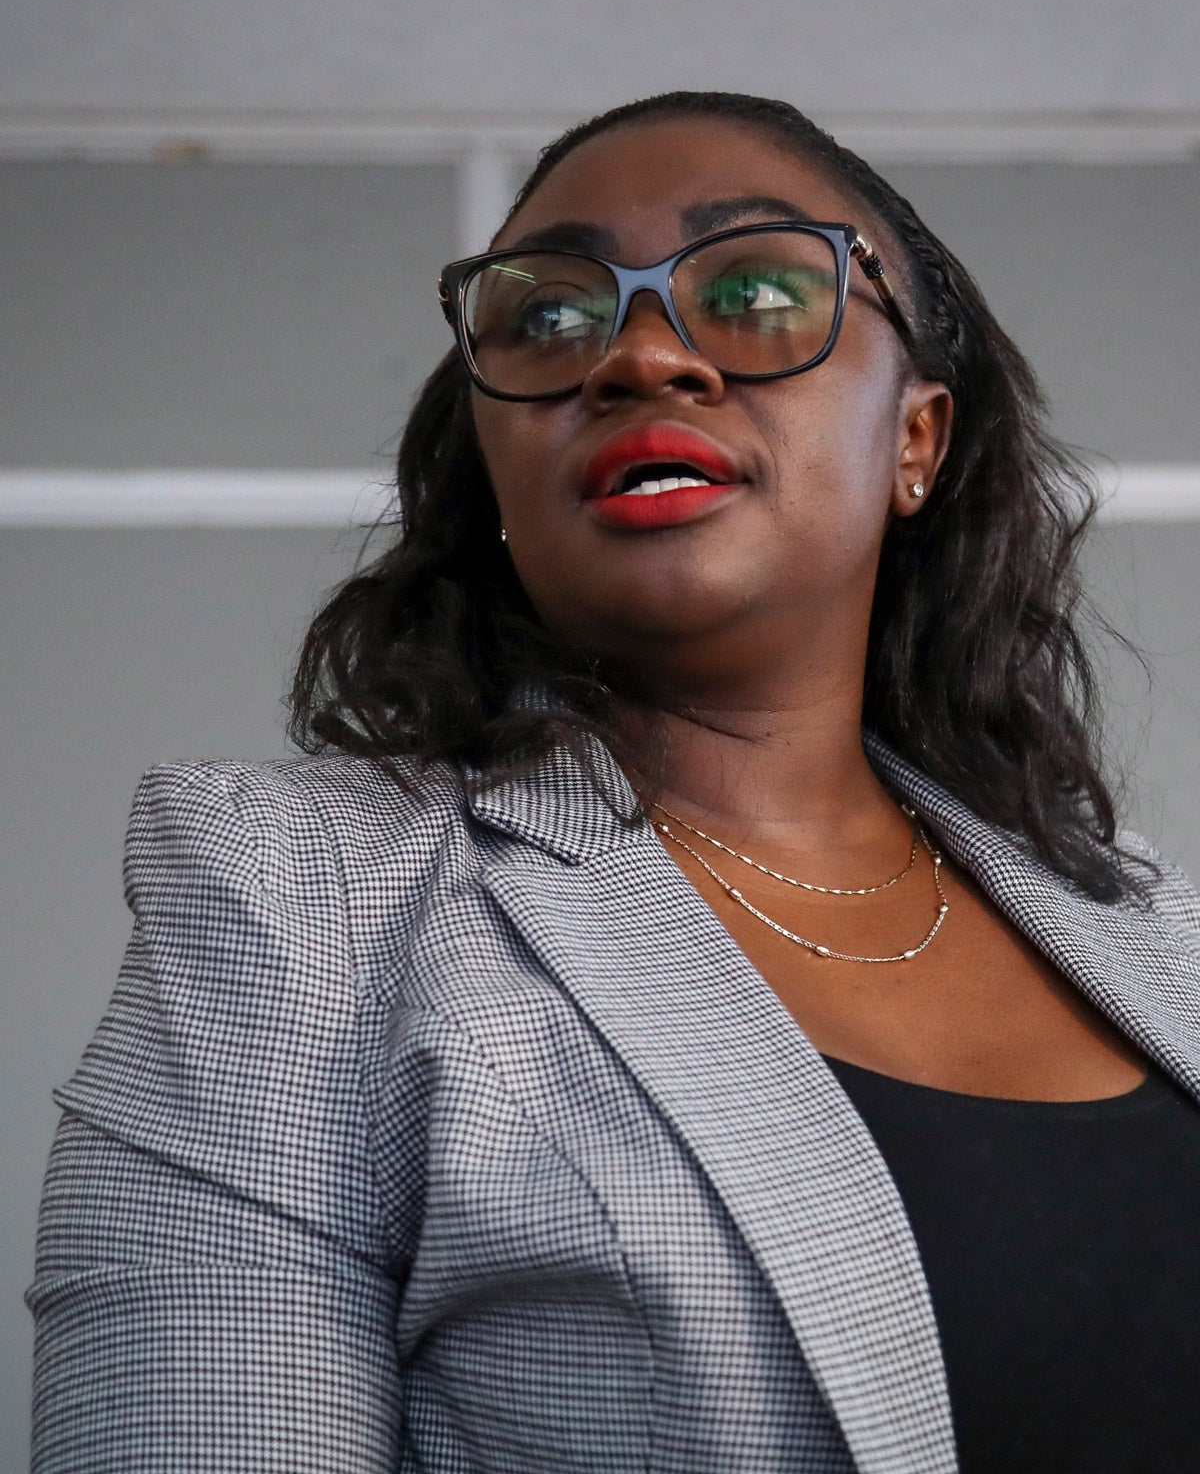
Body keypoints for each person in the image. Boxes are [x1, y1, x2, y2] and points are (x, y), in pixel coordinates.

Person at [28, 91, 1200, 1473]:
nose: (642, 356)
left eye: (756, 289)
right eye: (548, 317)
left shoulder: (1153, 927)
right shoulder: (300, 900)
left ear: (916, 441)